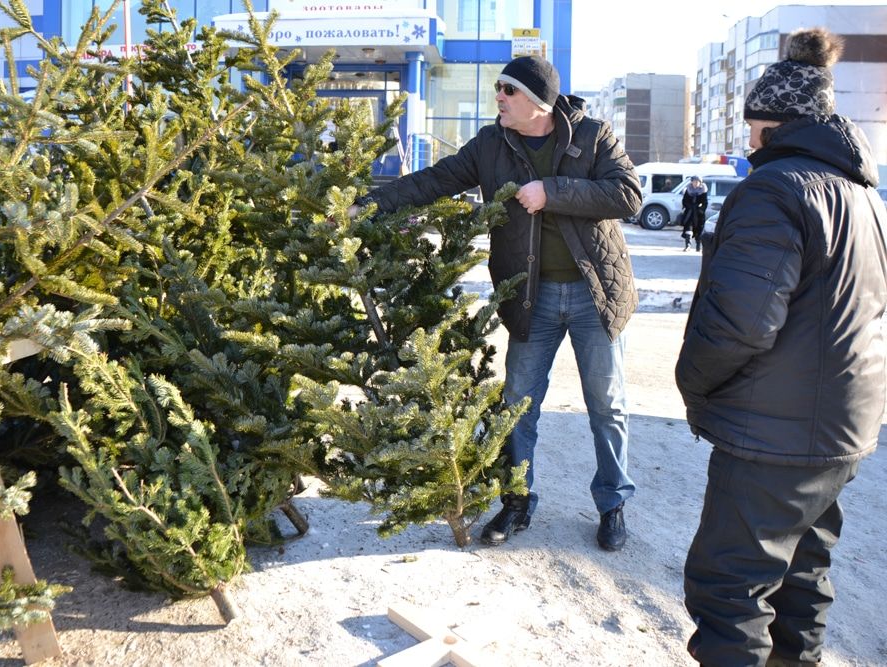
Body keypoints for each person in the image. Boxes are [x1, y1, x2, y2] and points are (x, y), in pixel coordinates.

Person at [350, 55, 641, 551]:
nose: (499, 98)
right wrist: (363, 205)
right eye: (499, 89)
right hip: (532, 297)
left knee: (607, 406)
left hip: (596, 294)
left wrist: (551, 191)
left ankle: (612, 504)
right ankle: (517, 500)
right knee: (517, 405)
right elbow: (434, 180)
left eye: (508, 90)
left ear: (537, 101)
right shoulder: (491, 144)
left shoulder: (593, 135)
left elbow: (628, 195)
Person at [675, 28, 887, 666]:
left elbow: (741, 322)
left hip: (775, 433)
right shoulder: (862, 194)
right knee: (800, 579)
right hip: (841, 429)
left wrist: (694, 382)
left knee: (730, 592)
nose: (745, 139)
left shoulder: (774, 190)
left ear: (770, 125)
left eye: (750, 126)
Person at [679, 176, 708, 251]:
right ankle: (687, 246)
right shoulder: (688, 190)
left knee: (699, 230)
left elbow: (705, 202)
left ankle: (698, 246)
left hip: (699, 214)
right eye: (694, 181)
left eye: (697, 182)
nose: (695, 183)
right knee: (688, 228)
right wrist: (689, 206)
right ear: (691, 182)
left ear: (700, 182)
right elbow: (684, 201)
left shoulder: (703, 191)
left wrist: (701, 209)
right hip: (689, 213)